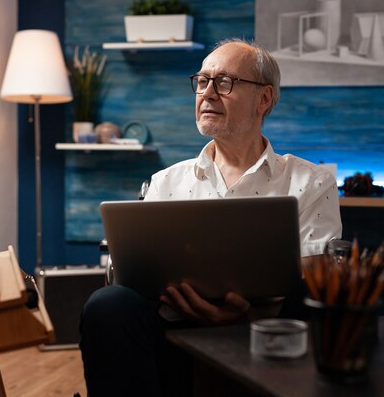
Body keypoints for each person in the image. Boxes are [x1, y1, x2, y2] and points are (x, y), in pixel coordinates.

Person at [79, 38, 342, 397]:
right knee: (108, 304)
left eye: (225, 82)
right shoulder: (165, 181)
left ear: (264, 99)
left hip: (267, 331)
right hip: (173, 328)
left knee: (321, 285)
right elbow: (135, 276)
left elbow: (315, 279)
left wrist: (248, 317)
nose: (208, 93)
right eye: (202, 82)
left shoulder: (311, 182)